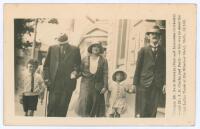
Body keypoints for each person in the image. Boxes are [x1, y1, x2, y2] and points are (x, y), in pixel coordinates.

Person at [43, 33, 81, 117]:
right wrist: (46, 79)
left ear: (67, 42)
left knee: (62, 108)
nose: (62, 46)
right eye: (60, 44)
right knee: (52, 107)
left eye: (64, 44)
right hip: (54, 83)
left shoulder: (75, 49)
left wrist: (75, 72)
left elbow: (78, 65)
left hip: (67, 84)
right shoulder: (52, 48)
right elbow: (46, 66)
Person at [133, 25, 166, 117]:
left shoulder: (164, 51)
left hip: (157, 84)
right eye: (152, 34)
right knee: (142, 109)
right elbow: (138, 68)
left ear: (160, 37)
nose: (154, 36)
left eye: (157, 34)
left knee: (153, 110)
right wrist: (134, 84)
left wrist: (165, 83)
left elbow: (165, 69)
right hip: (143, 84)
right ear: (148, 36)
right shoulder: (143, 50)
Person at [76, 42, 108, 117]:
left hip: (97, 84)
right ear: (91, 48)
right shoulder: (85, 59)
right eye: (94, 46)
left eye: (98, 47)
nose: (96, 48)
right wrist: (75, 74)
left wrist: (105, 86)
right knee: (85, 102)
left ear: (100, 49)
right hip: (86, 84)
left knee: (95, 104)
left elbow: (105, 73)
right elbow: (80, 70)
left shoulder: (103, 60)